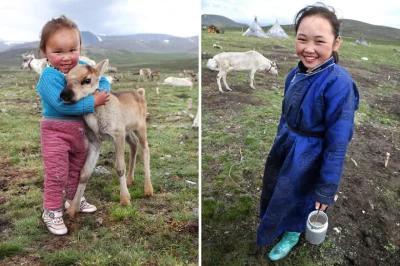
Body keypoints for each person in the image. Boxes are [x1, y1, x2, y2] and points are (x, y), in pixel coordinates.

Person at [257, 3, 359, 261]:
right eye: (302, 39)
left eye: (319, 41)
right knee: (279, 187)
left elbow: (338, 142)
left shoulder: (339, 84)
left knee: (303, 195)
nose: (308, 48)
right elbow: (285, 113)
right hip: (287, 144)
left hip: (312, 154)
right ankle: (278, 220)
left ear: (336, 43)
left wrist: (326, 189)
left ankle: (292, 232)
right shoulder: (293, 73)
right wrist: (282, 139)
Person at [36, 15, 110, 235]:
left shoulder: (80, 68)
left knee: (76, 169)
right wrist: (92, 101)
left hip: (79, 133)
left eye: (72, 50)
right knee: (57, 172)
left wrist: (100, 85)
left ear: (79, 48)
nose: (66, 57)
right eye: (58, 52)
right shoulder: (48, 77)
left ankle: (73, 199)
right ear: (45, 52)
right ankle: (51, 210)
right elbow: (62, 106)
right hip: (55, 132)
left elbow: (100, 79)